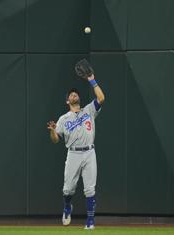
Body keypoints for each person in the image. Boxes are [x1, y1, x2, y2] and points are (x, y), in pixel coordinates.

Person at [47, 74, 105, 229]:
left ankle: (90, 221)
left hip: (89, 153)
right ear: (68, 101)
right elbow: (56, 140)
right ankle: (67, 207)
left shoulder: (88, 110)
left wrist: (91, 79)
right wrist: (52, 131)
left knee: (90, 189)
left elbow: (101, 98)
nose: (74, 95)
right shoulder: (63, 119)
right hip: (73, 154)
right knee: (68, 189)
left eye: (76, 93)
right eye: (71, 95)